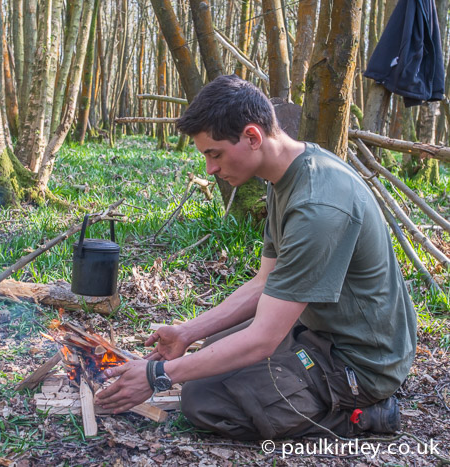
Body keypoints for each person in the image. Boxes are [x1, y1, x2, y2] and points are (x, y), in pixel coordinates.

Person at [95, 75, 417, 440]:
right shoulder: (288, 175)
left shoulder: (317, 206)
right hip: (319, 331)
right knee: (212, 352)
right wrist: (188, 332)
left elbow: (263, 338)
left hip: (361, 363)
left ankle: (364, 415)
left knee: (203, 399)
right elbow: (264, 283)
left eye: (213, 154)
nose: (210, 169)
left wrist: (157, 376)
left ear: (252, 136)